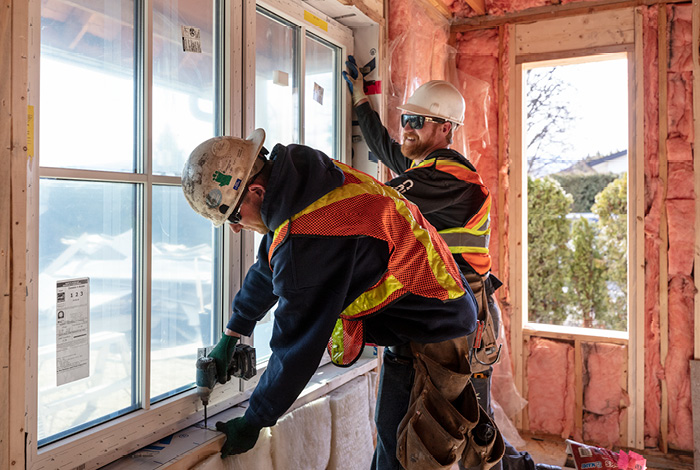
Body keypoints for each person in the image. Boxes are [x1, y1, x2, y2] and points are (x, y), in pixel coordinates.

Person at [181, 130, 504, 469]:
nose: (235, 227)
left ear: (256, 191)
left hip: (439, 323)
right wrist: (233, 333)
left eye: (233, 216)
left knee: (418, 453)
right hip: (412, 313)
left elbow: (297, 347)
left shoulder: (309, 238)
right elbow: (268, 265)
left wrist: (255, 419)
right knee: (391, 436)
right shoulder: (302, 179)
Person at [342, 57, 561, 470]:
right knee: (443, 433)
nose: (407, 127)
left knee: (464, 437)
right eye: (406, 117)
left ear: (445, 129)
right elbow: (387, 148)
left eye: (418, 121)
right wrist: (359, 101)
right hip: (446, 317)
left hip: (457, 327)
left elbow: (376, 202)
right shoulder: (428, 170)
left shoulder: (447, 180)